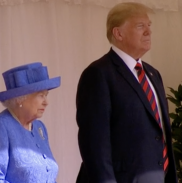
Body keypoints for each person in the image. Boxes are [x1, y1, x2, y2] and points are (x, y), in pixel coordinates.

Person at [76, 2, 177, 183]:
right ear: (118, 33)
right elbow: (94, 145)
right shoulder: (99, 74)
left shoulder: (153, 74)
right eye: (140, 26)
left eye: (149, 26)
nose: (148, 31)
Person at [0, 62, 60, 183]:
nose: (46, 102)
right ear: (20, 98)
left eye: (46, 95)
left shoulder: (39, 128)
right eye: (40, 95)